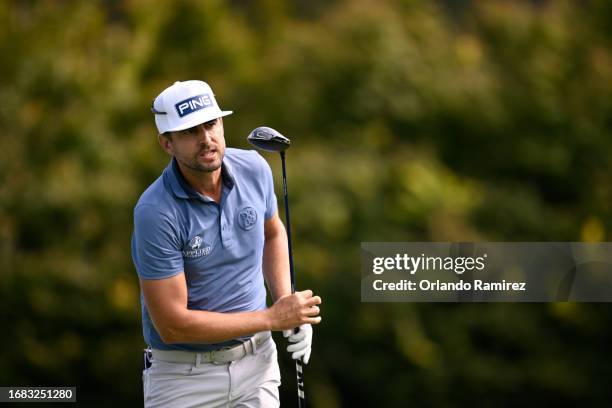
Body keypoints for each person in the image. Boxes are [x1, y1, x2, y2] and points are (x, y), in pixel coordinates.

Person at [131, 80, 322, 407]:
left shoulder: (254, 168)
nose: (206, 139)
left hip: (257, 364)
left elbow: (272, 233)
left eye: (211, 124)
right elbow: (172, 325)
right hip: (183, 380)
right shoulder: (156, 212)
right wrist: (273, 318)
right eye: (191, 131)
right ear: (167, 143)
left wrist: (286, 301)